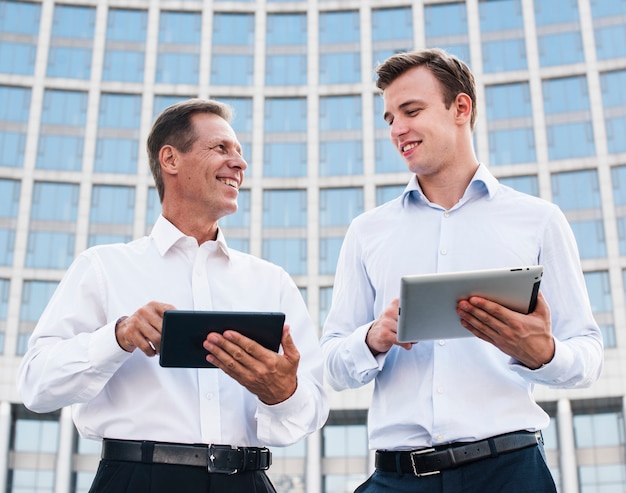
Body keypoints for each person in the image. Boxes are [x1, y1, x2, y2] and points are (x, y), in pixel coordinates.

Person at [320, 49, 603, 493]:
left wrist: (541, 352)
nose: (397, 129)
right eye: (389, 117)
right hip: (398, 478)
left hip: (510, 472)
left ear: (461, 108)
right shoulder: (366, 232)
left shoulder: (538, 219)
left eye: (411, 111)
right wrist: (373, 338)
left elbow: (586, 355)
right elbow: (331, 366)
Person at [17, 98, 329, 493]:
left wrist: (285, 393)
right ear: (170, 159)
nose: (240, 163)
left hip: (247, 482)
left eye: (240, 153)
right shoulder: (103, 267)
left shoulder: (272, 281)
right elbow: (35, 386)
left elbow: (314, 407)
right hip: (137, 480)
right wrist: (118, 337)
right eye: (222, 148)